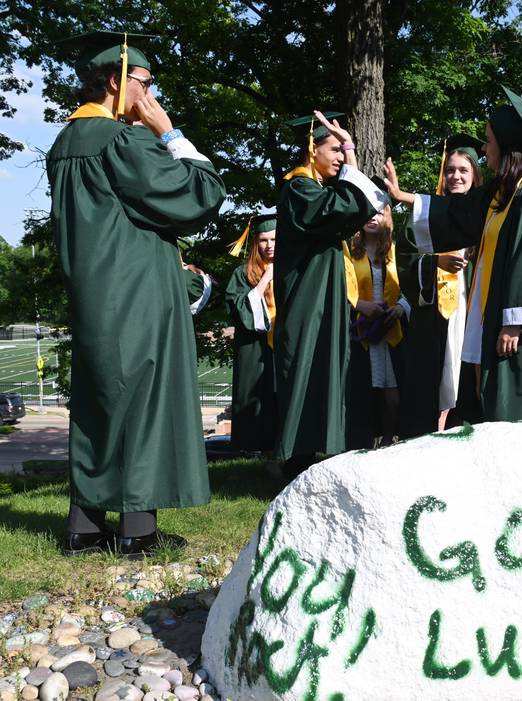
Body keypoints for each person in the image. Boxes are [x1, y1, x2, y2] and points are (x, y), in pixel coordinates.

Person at [47, 31, 226, 557]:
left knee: (100, 401)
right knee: (142, 403)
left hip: (92, 293)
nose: (152, 98)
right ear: (114, 79)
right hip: (138, 292)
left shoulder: (65, 144)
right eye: (145, 84)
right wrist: (171, 134)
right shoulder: (122, 141)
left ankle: (84, 526)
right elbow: (199, 194)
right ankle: (137, 532)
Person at [385, 86, 522, 422]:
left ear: (506, 143)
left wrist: (515, 323)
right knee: (487, 399)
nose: (484, 147)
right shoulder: (503, 191)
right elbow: (459, 211)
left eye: (488, 140)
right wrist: (404, 196)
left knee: (512, 402)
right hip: (492, 318)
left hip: (514, 327)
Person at [275, 111, 390, 471]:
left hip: (322, 302)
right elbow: (342, 205)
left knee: (321, 373)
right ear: (312, 149)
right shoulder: (298, 188)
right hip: (306, 303)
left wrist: (351, 160)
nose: (341, 157)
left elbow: (357, 206)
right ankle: (296, 463)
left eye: (343, 151)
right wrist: (354, 163)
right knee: (305, 372)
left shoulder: (316, 189)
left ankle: (314, 460)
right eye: (335, 149)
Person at [401, 134, 483, 435]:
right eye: (450, 170)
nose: (455, 176)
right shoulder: (425, 215)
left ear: (475, 173)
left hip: (471, 309)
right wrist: (435, 262)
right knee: (430, 378)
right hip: (432, 314)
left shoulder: (485, 214)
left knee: (465, 378)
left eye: (463, 170)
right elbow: (405, 259)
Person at [346, 204, 410, 448]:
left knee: (393, 396)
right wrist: (359, 305)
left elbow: (412, 285)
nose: (373, 217)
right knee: (365, 392)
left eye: (379, 212)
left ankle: (387, 442)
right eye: (368, 211)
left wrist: (401, 307)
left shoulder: (397, 250)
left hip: (390, 331)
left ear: (388, 217)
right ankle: (362, 444)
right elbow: (339, 287)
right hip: (359, 330)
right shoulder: (348, 251)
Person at [225, 214, 278, 453]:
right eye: (264, 240)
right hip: (254, 346)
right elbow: (237, 309)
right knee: (253, 394)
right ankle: (252, 450)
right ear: (256, 243)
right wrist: (265, 281)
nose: (269, 246)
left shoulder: (293, 267)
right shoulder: (242, 273)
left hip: (283, 343)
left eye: (275, 239)